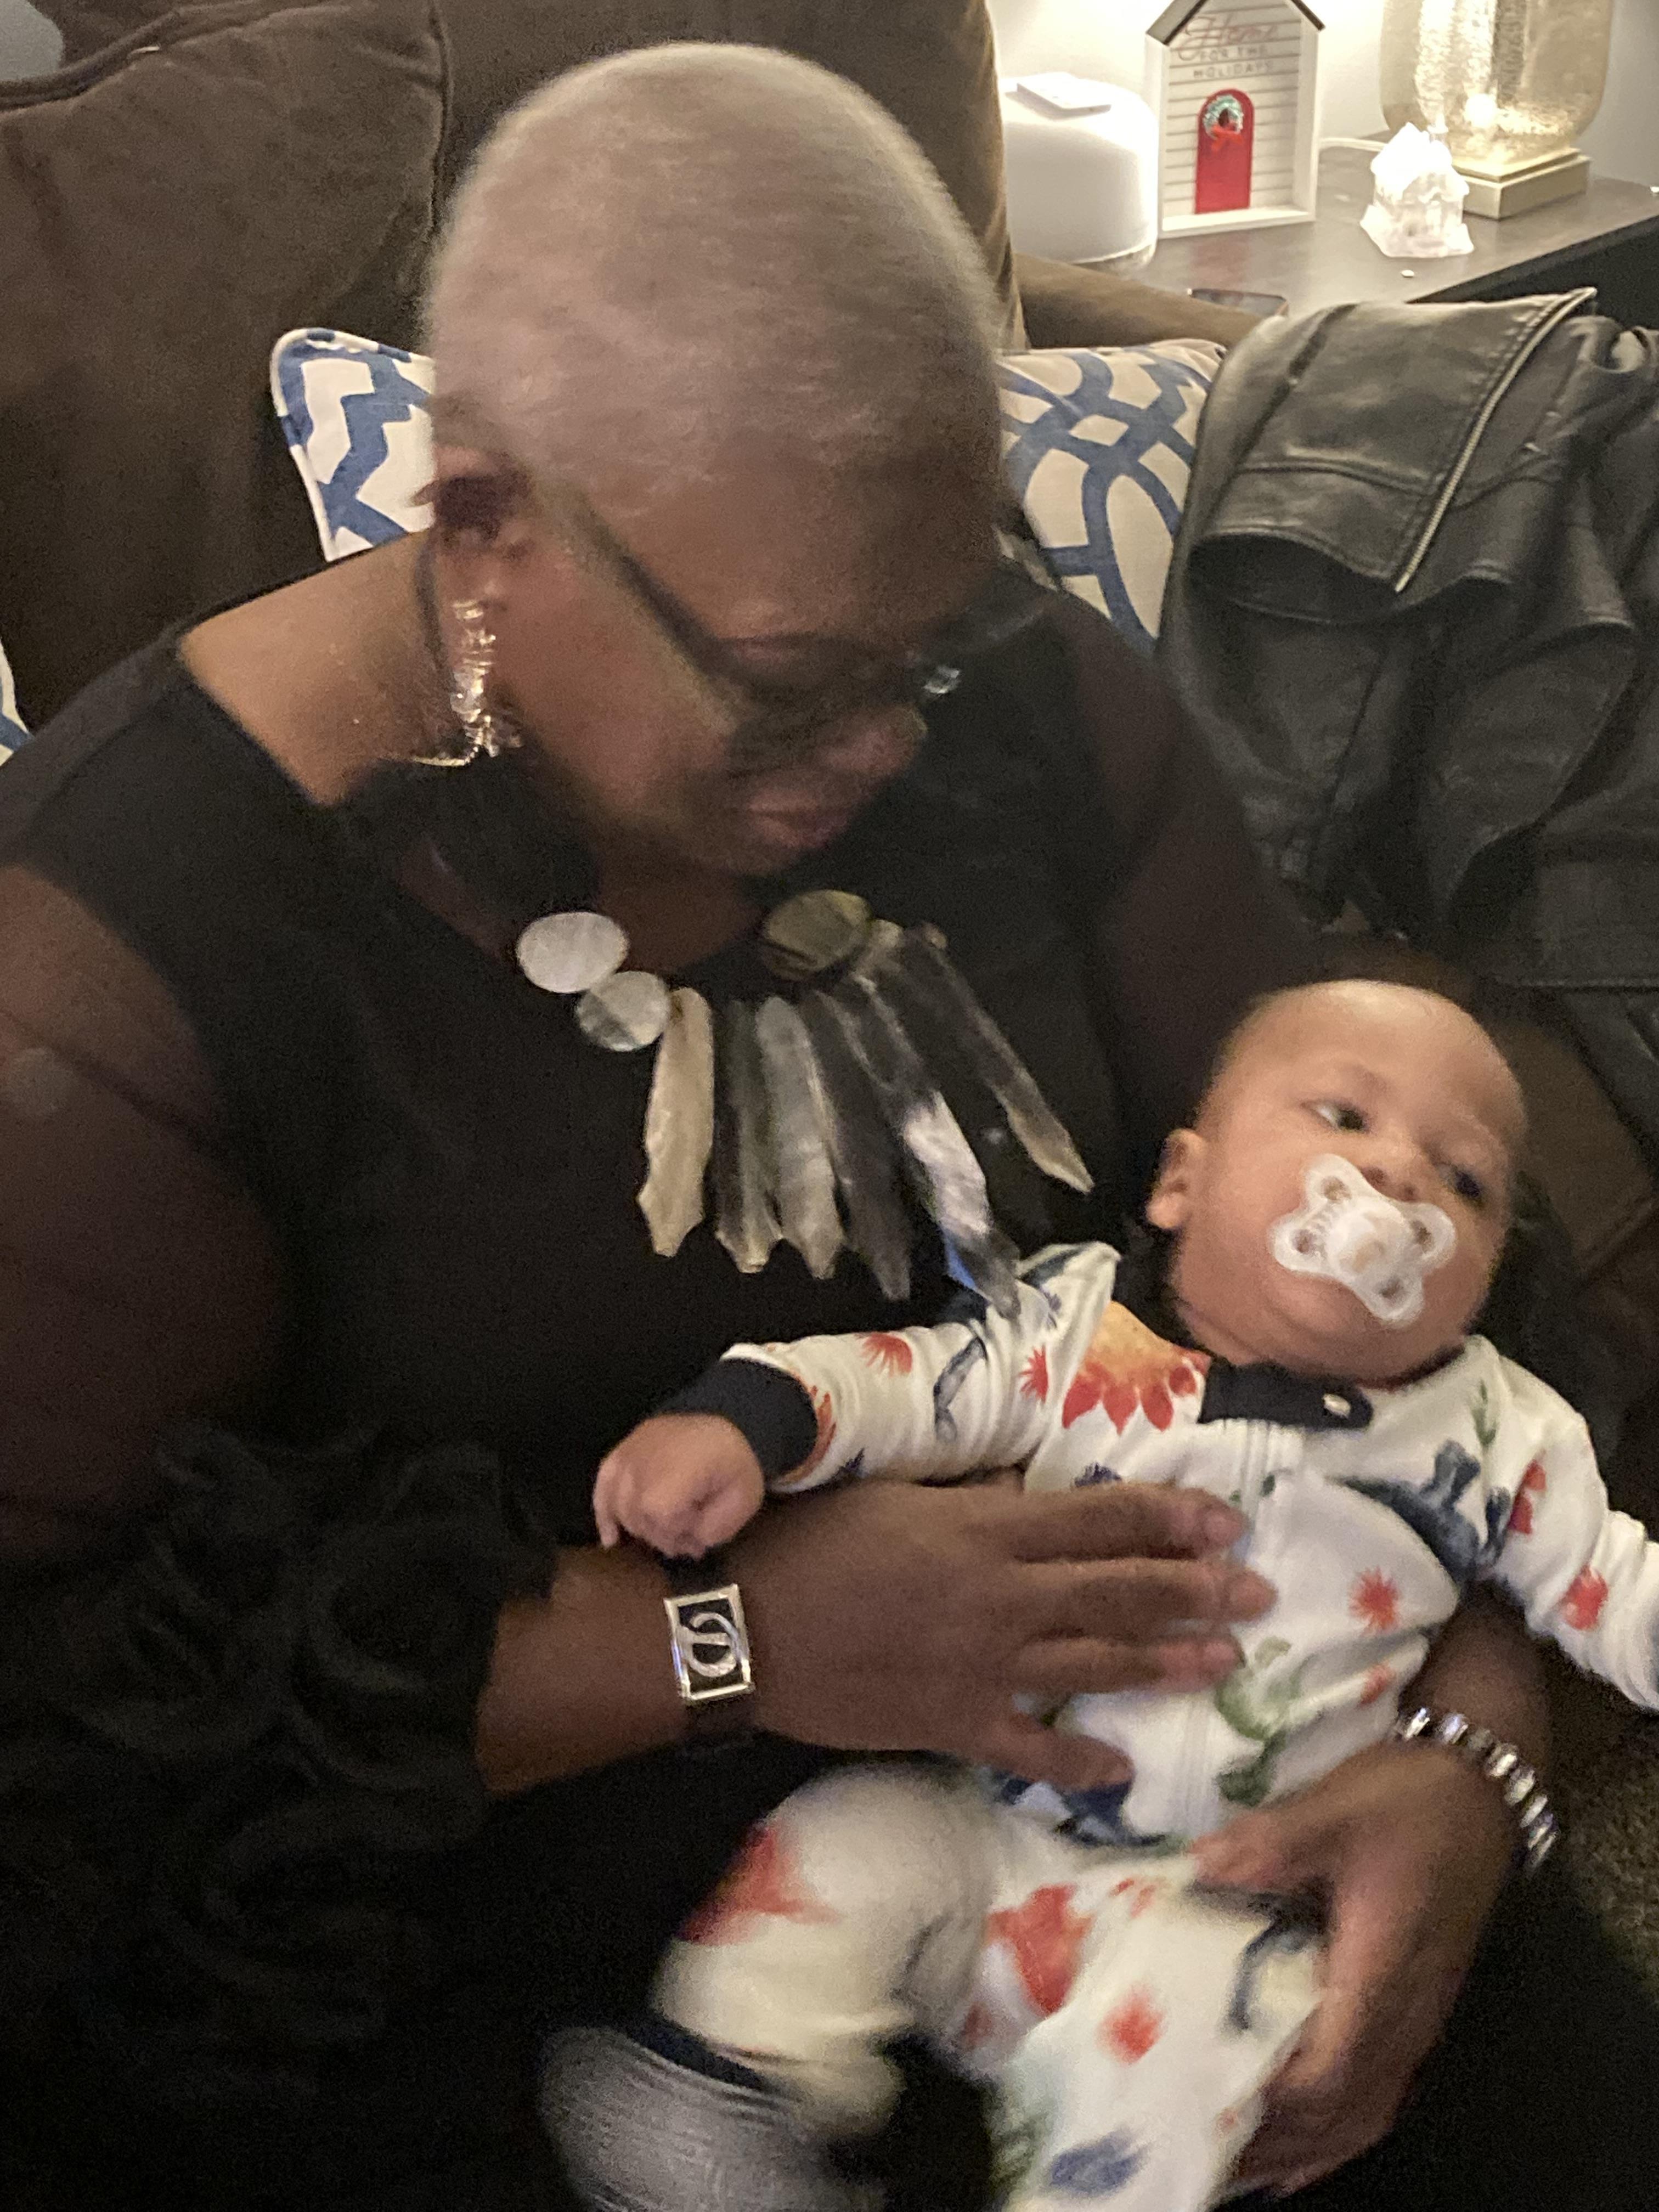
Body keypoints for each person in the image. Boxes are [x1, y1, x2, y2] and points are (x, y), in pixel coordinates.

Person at [0, 41, 1651, 2212]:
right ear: (485, 526)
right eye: (790, 684)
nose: (883, 744)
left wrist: (1468, 1752)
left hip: (1176, 1803)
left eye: (927, 642)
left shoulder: (1002, 697)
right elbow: (66, 1736)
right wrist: (740, 1642)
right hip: (542, 1949)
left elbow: (1390, 1224)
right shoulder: (124, 958)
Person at [571, 980, 1651, 2210]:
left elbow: (1608, 1582)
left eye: (1466, 1182)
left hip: (1240, 1897)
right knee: (846, 1847)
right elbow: (905, 1384)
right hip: (992, 1844)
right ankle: (719, 2111)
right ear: (1182, 1182)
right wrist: (744, 1425)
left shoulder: (1497, 1430)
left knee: (1187, 2040)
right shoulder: (1071, 1331)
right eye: (1346, 1116)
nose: (1401, 1175)